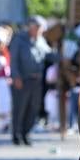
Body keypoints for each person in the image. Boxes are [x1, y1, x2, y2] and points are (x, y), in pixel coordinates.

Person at [9, 15, 54, 145]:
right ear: (32, 27)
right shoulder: (19, 39)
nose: (42, 31)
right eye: (40, 27)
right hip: (23, 79)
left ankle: (26, 133)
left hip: (37, 80)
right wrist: (16, 77)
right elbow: (14, 61)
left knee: (33, 108)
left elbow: (49, 54)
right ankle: (16, 134)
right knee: (20, 108)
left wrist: (63, 56)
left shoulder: (40, 40)